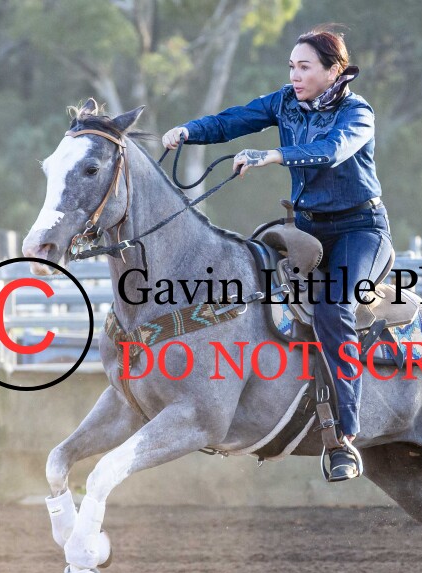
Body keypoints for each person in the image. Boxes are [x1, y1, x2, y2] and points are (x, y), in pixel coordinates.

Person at [162, 26, 394, 483]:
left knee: (333, 306)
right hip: (306, 228)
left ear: (334, 70)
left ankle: (344, 433)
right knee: (247, 282)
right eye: (291, 66)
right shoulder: (284, 102)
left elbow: (332, 151)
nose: (294, 75)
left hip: (360, 230)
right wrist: (189, 131)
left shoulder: (358, 112)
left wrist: (273, 156)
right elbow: (234, 120)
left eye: (304, 67)